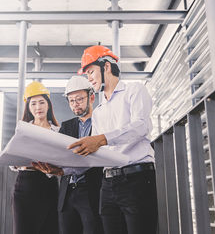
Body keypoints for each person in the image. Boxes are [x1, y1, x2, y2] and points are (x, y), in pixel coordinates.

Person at [67, 45, 158, 234]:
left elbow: (141, 126)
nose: (89, 78)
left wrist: (101, 139)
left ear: (106, 66)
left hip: (137, 179)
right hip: (108, 185)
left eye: (91, 72)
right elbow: (98, 152)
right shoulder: (99, 111)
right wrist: (61, 169)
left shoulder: (134, 90)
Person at [33, 76, 104, 234]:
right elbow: (60, 156)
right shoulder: (67, 126)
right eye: (71, 100)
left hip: (91, 192)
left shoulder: (102, 123)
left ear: (91, 97)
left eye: (79, 99)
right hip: (67, 194)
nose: (75, 104)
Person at [12, 81, 59, 234]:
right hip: (25, 185)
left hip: (48, 184)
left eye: (41, 102)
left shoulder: (57, 131)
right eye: (33, 104)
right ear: (28, 107)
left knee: (49, 229)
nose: (38, 107)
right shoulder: (23, 129)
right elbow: (12, 160)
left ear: (48, 104)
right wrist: (17, 162)